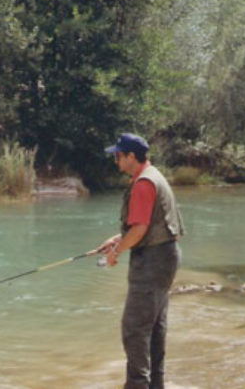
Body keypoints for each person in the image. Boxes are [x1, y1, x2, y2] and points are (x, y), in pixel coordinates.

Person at [96, 133, 185, 389]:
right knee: (155, 327)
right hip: (165, 257)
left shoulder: (143, 184)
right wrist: (116, 241)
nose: (115, 160)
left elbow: (140, 230)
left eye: (118, 155)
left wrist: (116, 253)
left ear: (130, 156)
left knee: (134, 329)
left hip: (153, 262)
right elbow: (142, 225)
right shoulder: (152, 175)